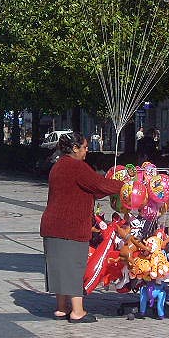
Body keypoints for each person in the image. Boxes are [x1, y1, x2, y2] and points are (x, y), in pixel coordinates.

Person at [39, 132, 123, 323]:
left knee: (59, 268)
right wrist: (125, 186)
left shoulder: (58, 166)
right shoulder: (77, 167)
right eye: (85, 147)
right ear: (75, 148)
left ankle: (61, 308)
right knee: (74, 268)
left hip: (52, 224)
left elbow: (90, 189)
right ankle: (77, 311)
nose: (87, 151)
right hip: (71, 226)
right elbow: (99, 184)